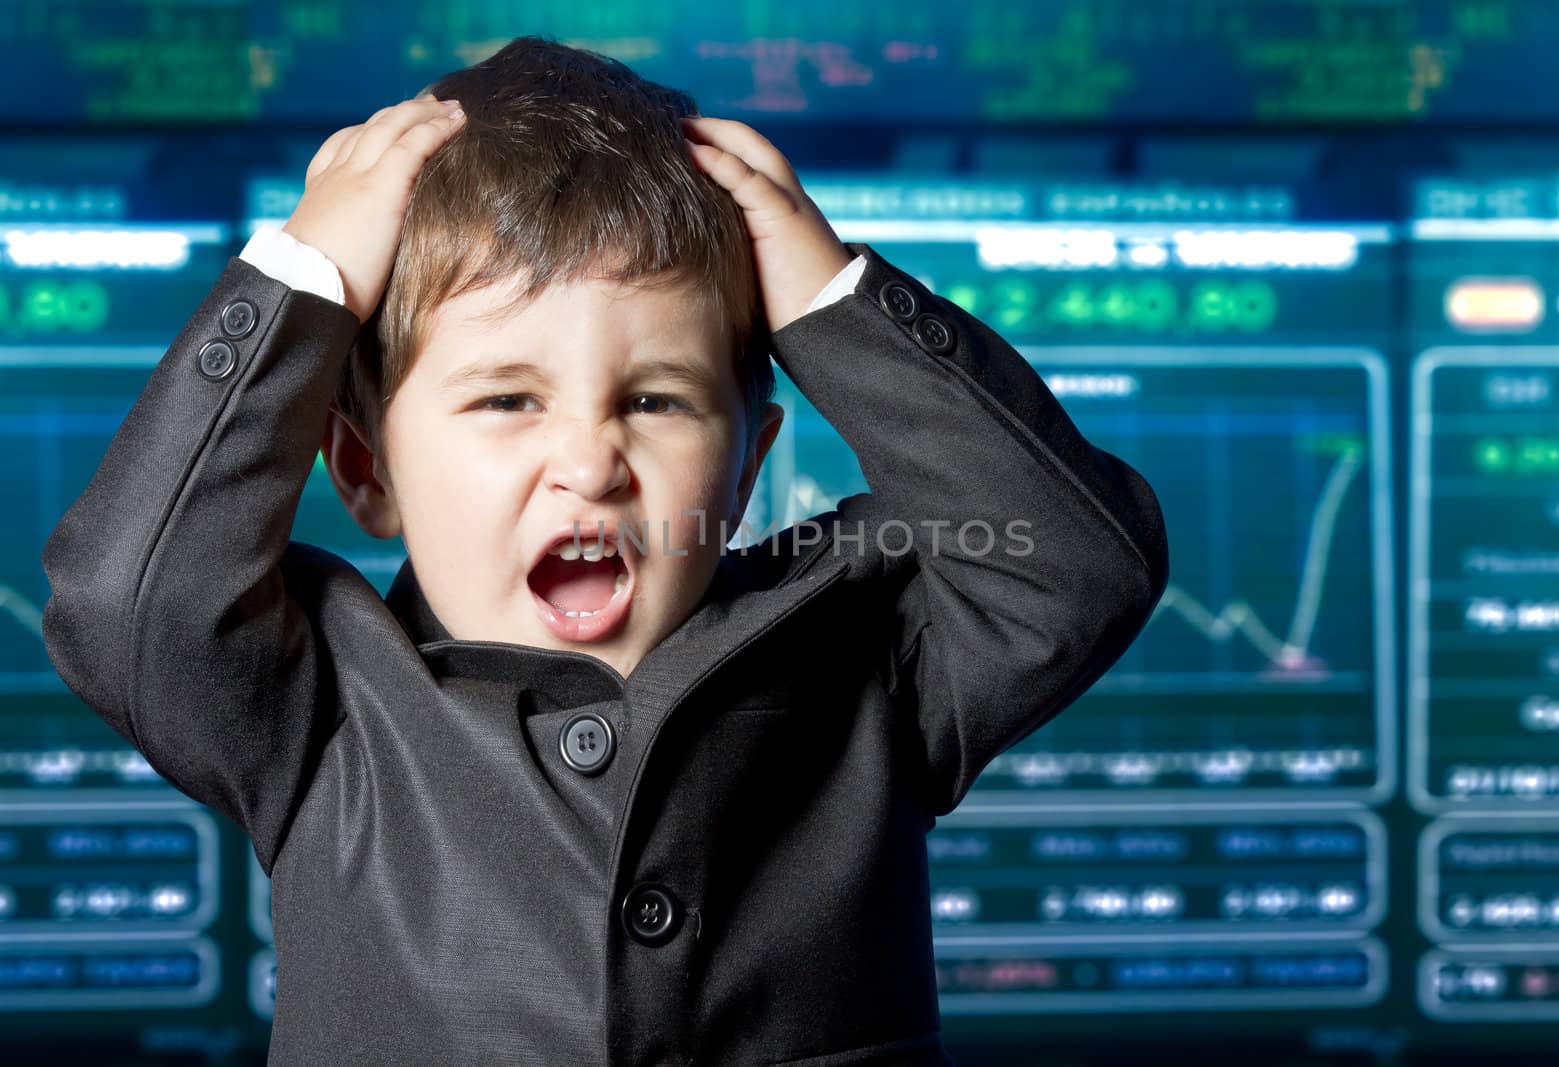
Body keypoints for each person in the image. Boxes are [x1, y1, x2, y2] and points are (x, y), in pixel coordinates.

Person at [40, 35, 1167, 1067]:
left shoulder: (868, 659)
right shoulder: (318, 709)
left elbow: (1077, 562)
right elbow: (124, 600)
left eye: (657, 399)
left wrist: (831, 299)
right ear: (366, 470)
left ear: (745, 465)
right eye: (505, 400)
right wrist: (302, 279)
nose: (590, 462)